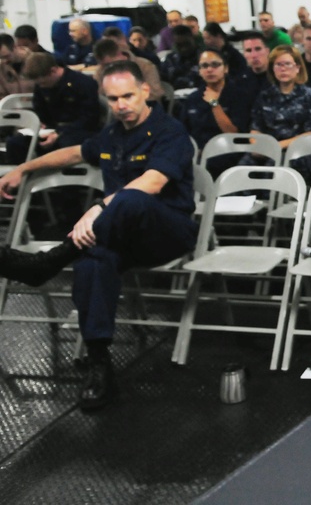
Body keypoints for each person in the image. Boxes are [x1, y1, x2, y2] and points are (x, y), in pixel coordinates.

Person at [0, 60, 198, 411]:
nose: (121, 105)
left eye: (127, 96)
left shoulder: (170, 131)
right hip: (120, 235)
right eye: (112, 98)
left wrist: (99, 207)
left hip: (166, 231)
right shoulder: (111, 135)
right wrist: (22, 169)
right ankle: (99, 362)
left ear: (145, 92)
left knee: (132, 198)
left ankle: (48, 262)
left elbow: (152, 183)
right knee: (93, 260)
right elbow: (74, 152)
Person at [244, 45, 311, 182]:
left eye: (287, 64)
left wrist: (277, 146)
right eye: (278, 65)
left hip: (299, 153)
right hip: (268, 151)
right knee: (242, 170)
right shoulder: (265, 96)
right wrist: (257, 145)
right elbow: (255, 128)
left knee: (273, 169)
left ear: (297, 68)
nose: (283, 68)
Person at [5, 52, 102, 163]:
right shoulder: (40, 86)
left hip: (77, 130)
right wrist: (40, 123)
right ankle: (22, 175)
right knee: (15, 142)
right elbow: (40, 110)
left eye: (44, 83)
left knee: (66, 142)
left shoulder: (83, 83)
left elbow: (90, 118)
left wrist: (60, 133)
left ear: (53, 71)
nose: (42, 87)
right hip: (51, 129)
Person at [181, 49, 252, 178]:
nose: (209, 70)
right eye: (204, 66)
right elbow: (183, 132)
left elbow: (234, 134)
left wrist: (215, 104)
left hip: (229, 154)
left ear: (225, 68)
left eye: (215, 65)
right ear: (199, 71)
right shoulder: (193, 98)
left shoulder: (240, 96)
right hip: (197, 154)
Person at [93, 38, 165, 103]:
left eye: (109, 64)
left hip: (146, 107)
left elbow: (155, 93)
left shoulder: (145, 66)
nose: (108, 67)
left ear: (119, 54)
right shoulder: (101, 70)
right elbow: (98, 95)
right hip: (113, 110)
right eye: (103, 65)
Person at [158, 24, 202, 89]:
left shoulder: (203, 57)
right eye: (179, 45)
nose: (184, 49)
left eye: (186, 44)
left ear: (192, 39)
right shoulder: (170, 60)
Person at [232, 32, 271, 101]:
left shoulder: (279, 77)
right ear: (244, 54)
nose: (254, 55)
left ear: (267, 51)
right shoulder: (240, 81)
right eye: (249, 50)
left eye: (258, 49)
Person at [0, 32, 35, 98]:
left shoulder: (35, 62)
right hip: (11, 106)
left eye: (6, 56)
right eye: (1, 58)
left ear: (15, 47)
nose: (4, 61)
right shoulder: (1, 69)